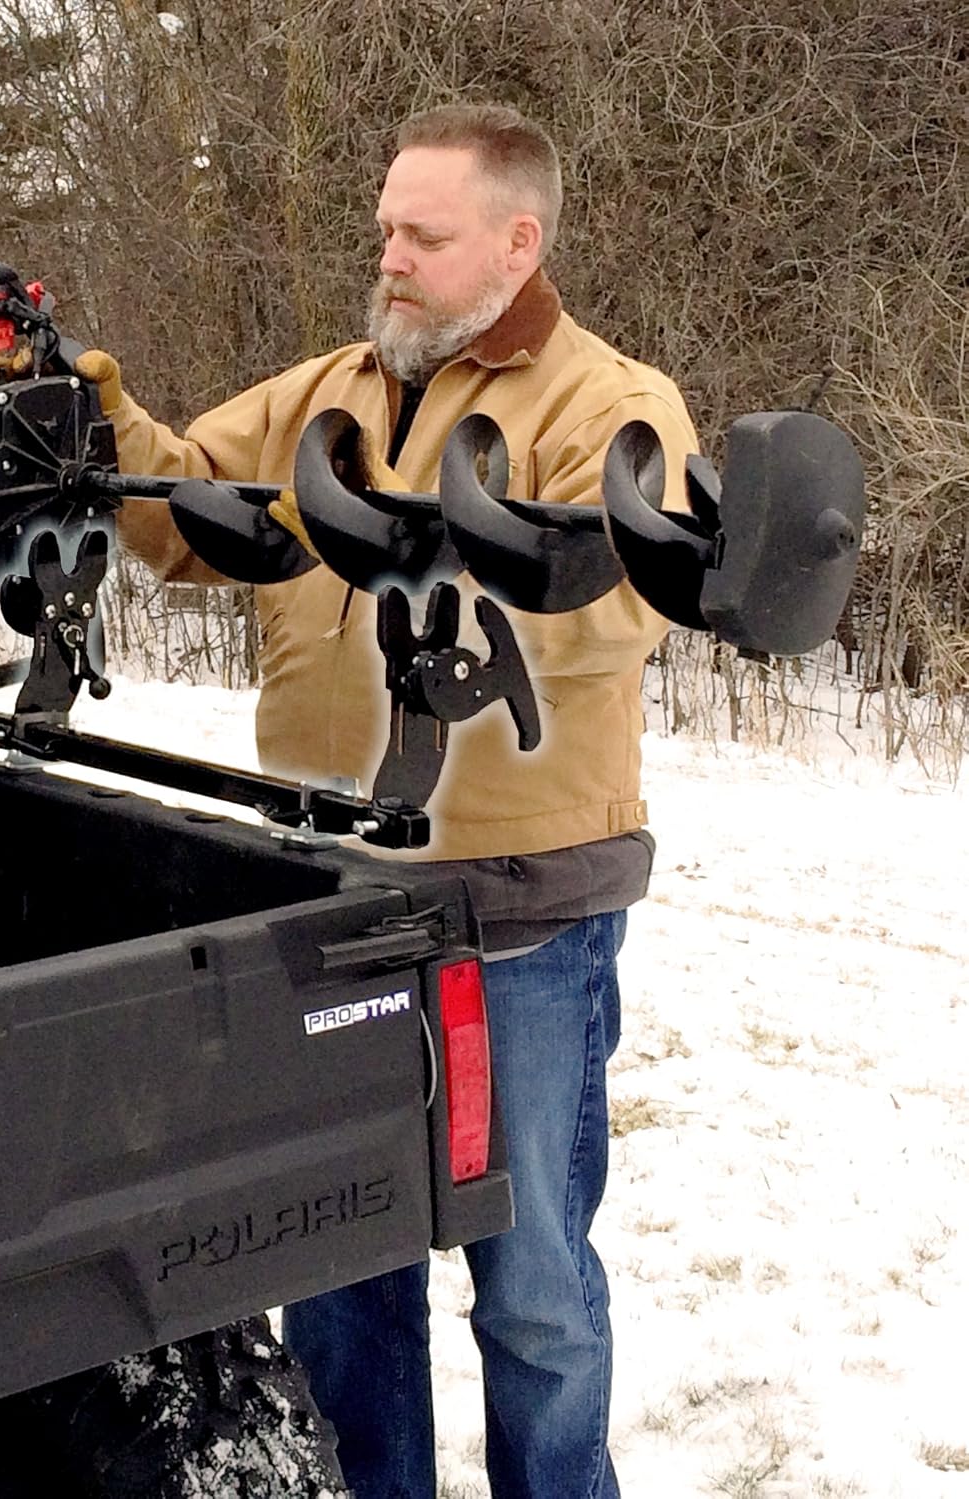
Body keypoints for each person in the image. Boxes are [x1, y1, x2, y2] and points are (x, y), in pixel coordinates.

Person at [65, 103, 699, 1499]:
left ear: (514, 242)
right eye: (385, 231)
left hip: (514, 921)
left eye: (426, 233)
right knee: (337, 1267)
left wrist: (470, 598)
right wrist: (95, 418)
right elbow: (182, 511)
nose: (393, 257)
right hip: (328, 903)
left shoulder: (609, 404)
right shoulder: (326, 393)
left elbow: (625, 599)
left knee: (530, 1286)